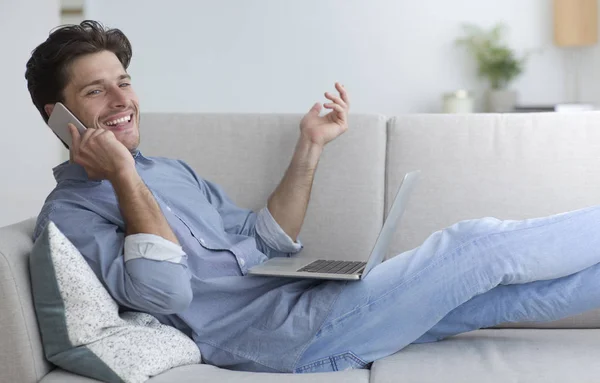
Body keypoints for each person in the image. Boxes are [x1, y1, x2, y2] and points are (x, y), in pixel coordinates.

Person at [27, 20, 600, 374]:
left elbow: (264, 238)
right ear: (60, 118)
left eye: (122, 81)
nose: (120, 99)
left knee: (501, 301)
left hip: (312, 303)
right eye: (95, 91)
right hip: (280, 340)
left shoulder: (170, 169)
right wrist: (124, 177)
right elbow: (166, 292)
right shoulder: (70, 217)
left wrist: (310, 147)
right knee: (475, 246)